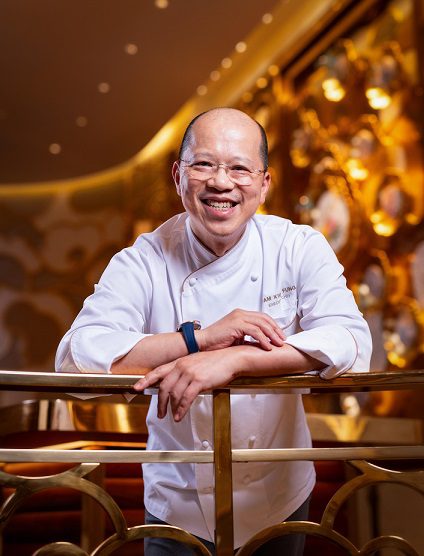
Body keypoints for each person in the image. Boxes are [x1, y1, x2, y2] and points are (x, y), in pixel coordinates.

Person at [56, 107, 372, 555]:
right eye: (203, 164)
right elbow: (75, 356)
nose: (221, 182)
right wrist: (198, 341)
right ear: (177, 175)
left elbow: (351, 341)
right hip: (177, 502)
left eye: (240, 168)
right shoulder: (143, 259)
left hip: (278, 494)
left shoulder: (297, 246)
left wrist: (234, 359)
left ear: (264, 183)